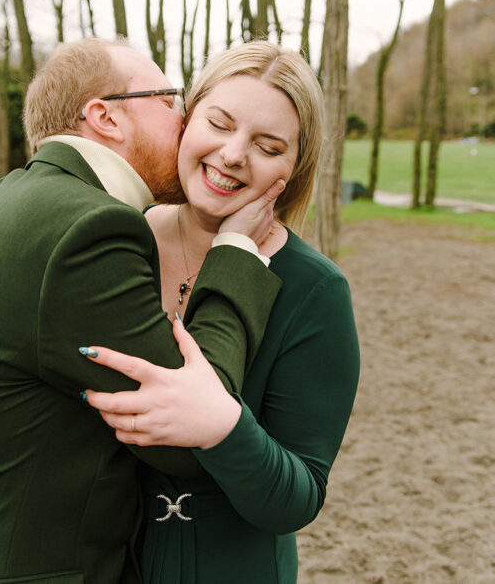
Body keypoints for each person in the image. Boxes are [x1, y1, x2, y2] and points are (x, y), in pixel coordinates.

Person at [0, 39, 286, 584]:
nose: (185, 121)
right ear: (105, 116)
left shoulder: (15, 194)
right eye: (170, 100)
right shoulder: (87, 227)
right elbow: (188, 425)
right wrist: (236, 256)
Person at [83, 42, 360, 583]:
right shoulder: (113, 238)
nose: (234, 154)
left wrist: (225, 429)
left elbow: (297, 497)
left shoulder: (314, 290)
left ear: (293, 166)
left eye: (267, 144)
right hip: (92, 563)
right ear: (186, 120)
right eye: (219, 122)